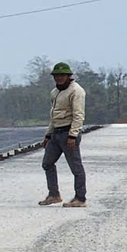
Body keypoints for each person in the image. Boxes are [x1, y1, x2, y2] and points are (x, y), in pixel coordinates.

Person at [40, 62, 87, 207]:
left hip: (68, 133)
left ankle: (80, 198)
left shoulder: (76, 91)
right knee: (47, 163)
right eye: (56, 76)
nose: (59, 78)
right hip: (56, 132)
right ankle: (54, 194)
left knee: (76, 167)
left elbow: (78, 115)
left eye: (62, 75)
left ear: (68, 76)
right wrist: (48, 135)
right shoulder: (55, 92)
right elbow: (53, 116)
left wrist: (73, 135)